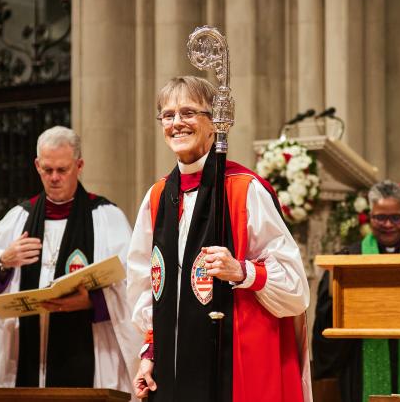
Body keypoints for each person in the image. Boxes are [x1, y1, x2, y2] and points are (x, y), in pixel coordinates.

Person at [126, 76, 312, 402]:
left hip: (237, 362)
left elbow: (295, 288)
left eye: (188, 112)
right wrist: (149, 355)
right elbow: (148, 289)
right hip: (174, 368)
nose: (176, 123)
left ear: (214, 123)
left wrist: (242, 271)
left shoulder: (244, 190)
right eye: (168, 115)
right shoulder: (157, 198)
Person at [0, 126, 140, 397]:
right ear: (37, 165)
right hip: (28, 357)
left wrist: (94, 302)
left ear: (79, 166)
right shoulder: (19, 218)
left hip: (86, 351)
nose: (54, 178)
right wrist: (3, 262)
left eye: (62, 170)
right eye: (47, 170)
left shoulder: (106, 217)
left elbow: (133, 285)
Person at [312, 181, 400, 402]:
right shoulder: (348, 259)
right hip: (361, 357)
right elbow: (326, 319)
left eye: (395, 217)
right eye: (380, 217)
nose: (388, 224)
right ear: (370, 216)